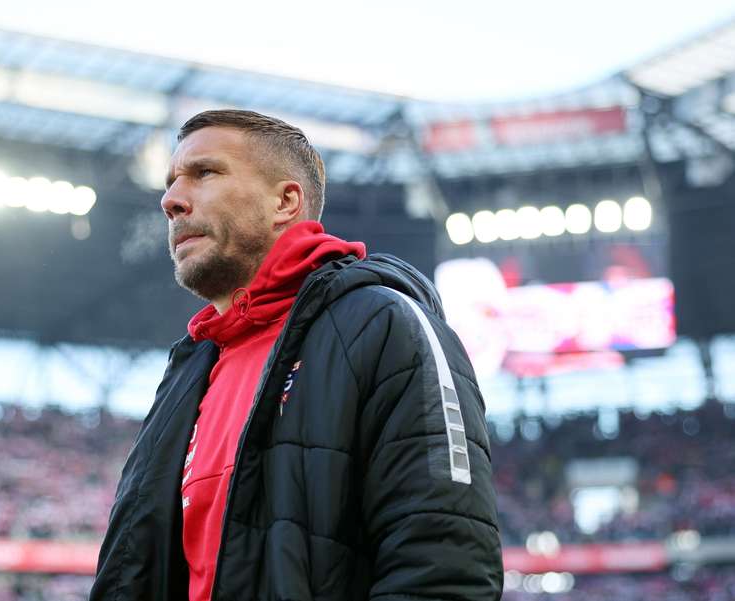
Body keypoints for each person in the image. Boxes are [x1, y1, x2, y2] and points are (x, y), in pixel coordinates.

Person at [90, 110, 503, 601]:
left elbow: (445, 570)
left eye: (204, 173)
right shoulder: (190, 369)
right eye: (171, 181)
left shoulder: (387, 325)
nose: (171, 200)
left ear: (285, 201)